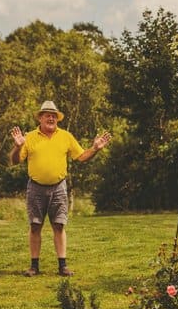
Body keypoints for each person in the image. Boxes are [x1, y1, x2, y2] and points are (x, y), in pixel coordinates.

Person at [10, 100, 111, 277]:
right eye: (47, 115)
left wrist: (95, 149)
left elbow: (82, 157)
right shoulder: (30, 137)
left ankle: (62, 266)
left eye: (54, 115)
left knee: (59, 225)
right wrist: (18, 146)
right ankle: (34, 266)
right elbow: (15, 160)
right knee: (35, 226)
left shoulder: (66, 136)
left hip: (58, 187)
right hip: (35, 188)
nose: (51, 118)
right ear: (40, 118)